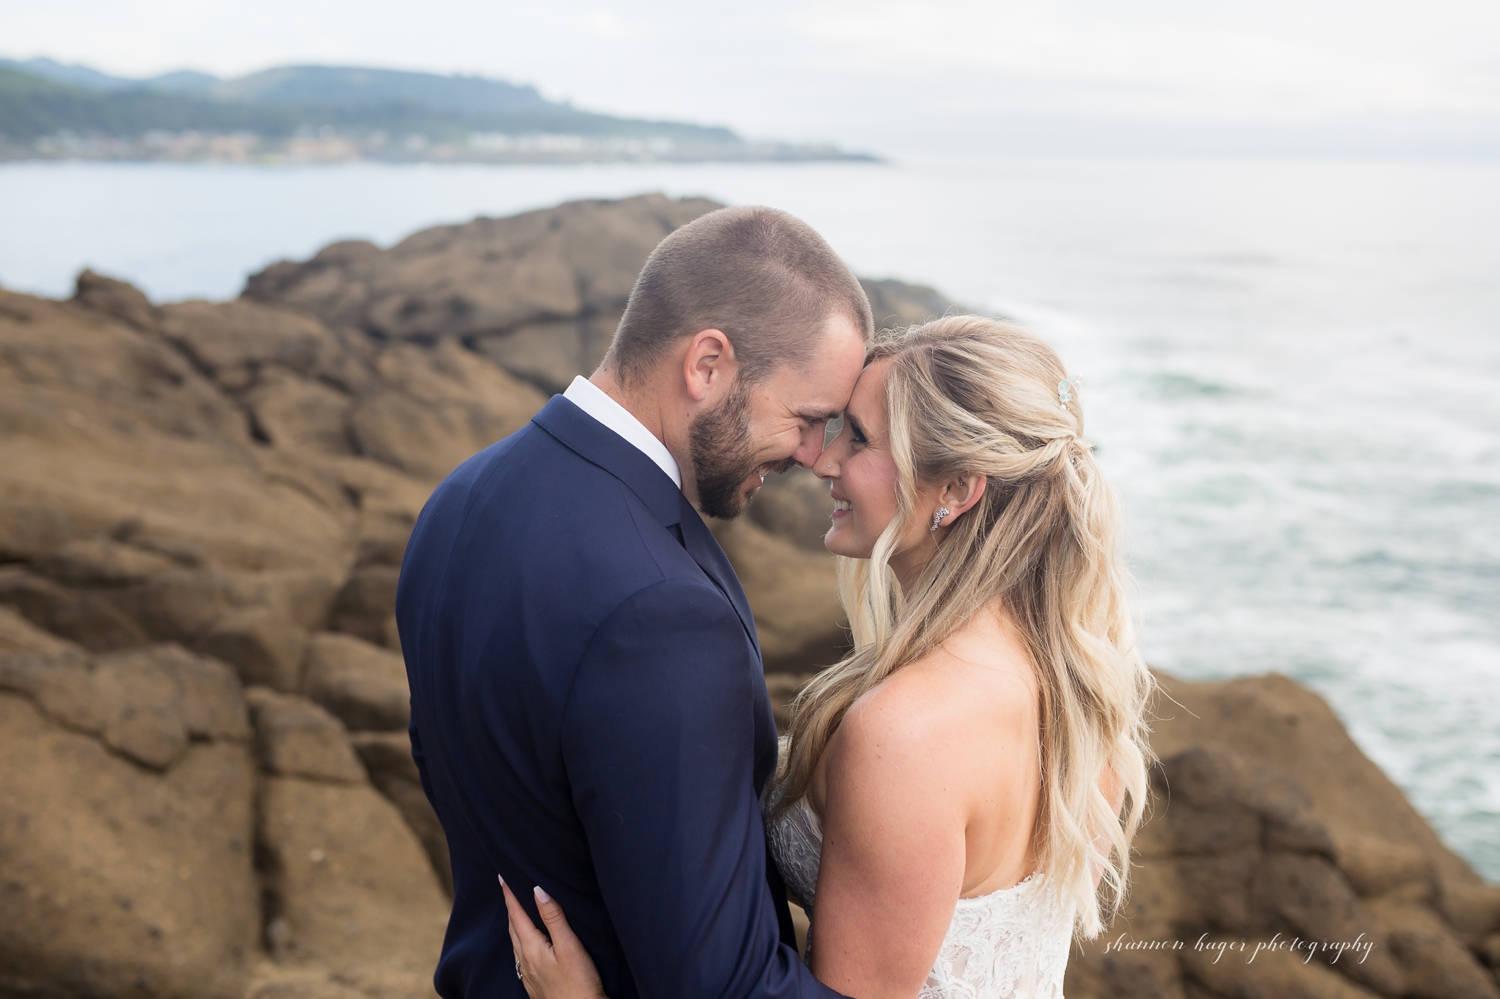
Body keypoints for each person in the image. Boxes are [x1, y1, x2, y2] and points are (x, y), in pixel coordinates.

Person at [503, 316, 1154, 998]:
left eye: (862, 438)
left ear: (958, 489)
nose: (823, 460)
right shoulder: (1079, 694)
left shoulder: (905, 733)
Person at [395, 204, 874, 999]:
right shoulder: (663, 614)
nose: (814, 458)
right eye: (808, 419)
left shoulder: (460, 498)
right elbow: (722, 987)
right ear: (708, 363)